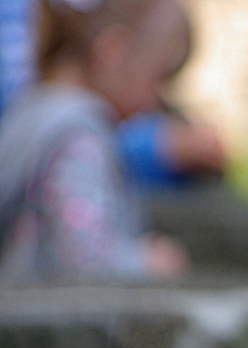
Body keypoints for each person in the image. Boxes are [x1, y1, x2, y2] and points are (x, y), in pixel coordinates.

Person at [0, 0, 206, 280]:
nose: (157, 101)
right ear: (113, 51)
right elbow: (88, 261)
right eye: (160, 78)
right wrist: (149, 262)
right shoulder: (78, 135)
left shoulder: (31, 110)